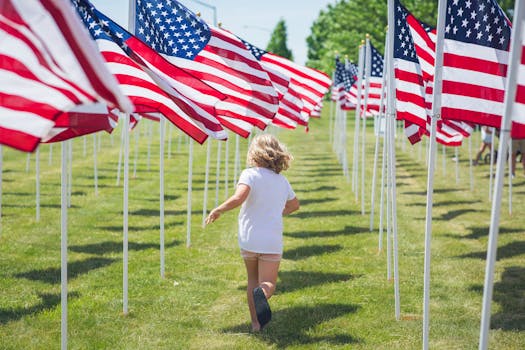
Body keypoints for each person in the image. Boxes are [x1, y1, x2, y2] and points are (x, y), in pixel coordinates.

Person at [205, 134, 299, 332]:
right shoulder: (282, 181)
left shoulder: (249, 174)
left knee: (252, 280)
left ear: (254, 153)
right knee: (267, 284)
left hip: (249, 237)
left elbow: (239, 198)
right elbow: (294, 205)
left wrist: (219, 209)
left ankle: (256, 324)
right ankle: (262, 296)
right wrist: (276, 210)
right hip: (271, 239)